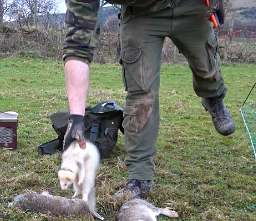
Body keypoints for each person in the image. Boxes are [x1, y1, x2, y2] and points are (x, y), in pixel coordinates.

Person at [62, 0, 235, 199]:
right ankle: (140, 177)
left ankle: (213, 97)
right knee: (141, 95)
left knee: (207, 67)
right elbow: (78, 47)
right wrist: (76, 118)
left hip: (191, 4)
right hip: (142, 13)